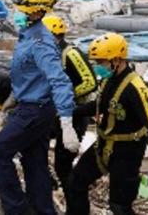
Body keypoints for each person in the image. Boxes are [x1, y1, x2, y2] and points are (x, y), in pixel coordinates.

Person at [0, 0, 78, 215]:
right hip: (33, 106)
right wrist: (15, 95)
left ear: (36, 12)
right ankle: (44, 210)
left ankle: (17, 209)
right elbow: (30, 73)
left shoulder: (41, 43)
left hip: (34, 111)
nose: (16, 12)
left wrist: (66, 122)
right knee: (34, 162)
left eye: (21, 9)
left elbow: (60, 81)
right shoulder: (28, 34)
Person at [65, 33, 148, 215]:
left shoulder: (137, 88)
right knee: (75, 183)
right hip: (103, 146)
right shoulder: (109, 80)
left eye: (101, 62)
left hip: (127, 153)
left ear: (117, 60)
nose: (98, 67)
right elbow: (101, 105)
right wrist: (69, 110)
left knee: (120, 206)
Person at [41, 14, 97, 195]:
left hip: (75, 114)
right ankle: (47, 182)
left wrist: (65, 98)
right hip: (56, 112)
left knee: (63, 164)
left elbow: (89, 82)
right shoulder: (50, 53)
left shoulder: (71, 54)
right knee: (35, 142)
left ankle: (73, 199)